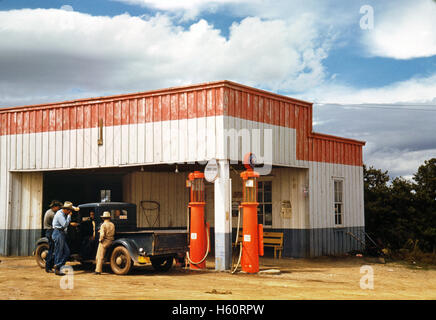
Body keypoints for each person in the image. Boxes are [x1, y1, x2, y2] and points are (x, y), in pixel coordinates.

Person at [52, 201, 79, 276]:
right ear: (66, 210)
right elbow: (64, 225)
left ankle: (58, 265)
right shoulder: (60, 215)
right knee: (59, 252)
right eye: (69, 211)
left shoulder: (64, 211)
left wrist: (76, 208)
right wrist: (69, 216)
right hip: (58, 233)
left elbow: (72, 207)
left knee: (67, 252)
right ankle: (57, 268)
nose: (70, 212)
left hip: (61, 233)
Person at [43, 200, 62, 273]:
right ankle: (48, 267)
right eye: (58, 207)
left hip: (49, 231)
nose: (59, 208)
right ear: (55, 207)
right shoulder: (52, 214)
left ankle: (49, 266)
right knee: (52, 250)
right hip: (50, 231)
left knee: (52, 249)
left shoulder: (49, 211)